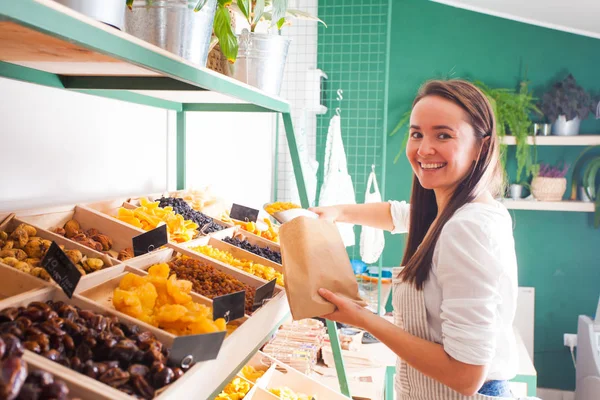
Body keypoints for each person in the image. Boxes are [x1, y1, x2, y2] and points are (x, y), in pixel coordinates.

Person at [310, 80, 521, 399]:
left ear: (481, 146)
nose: (424, 149)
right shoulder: (466, 211)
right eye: (416, 134)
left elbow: (465, 376)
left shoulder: (468, 228)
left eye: (443, 135)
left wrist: (362, 319)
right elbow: (398, 214)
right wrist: (336, 212)